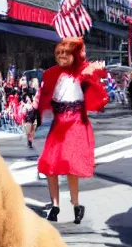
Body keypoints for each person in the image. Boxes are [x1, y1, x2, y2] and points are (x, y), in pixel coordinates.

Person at [37, 37, 108, 224]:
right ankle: (55, 206)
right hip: (59, 124)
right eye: (58, 53)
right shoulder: (51, 74)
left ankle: (76, 205)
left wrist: (92, 66)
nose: (61, 57)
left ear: (73, 55)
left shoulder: (82, 72)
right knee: (49, 165)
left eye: (65, 53)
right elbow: (44, 98)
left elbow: (97, 75)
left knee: (70, 165)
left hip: (76, 122)